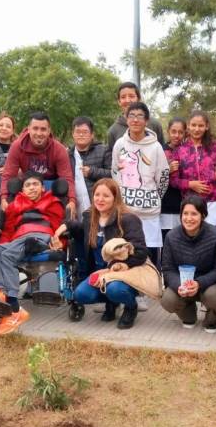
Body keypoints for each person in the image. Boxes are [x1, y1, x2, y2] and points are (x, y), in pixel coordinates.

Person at [0, 172, 65, 334]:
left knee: (8, 254)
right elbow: (8, 231)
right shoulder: (15, 205)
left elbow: (58, 229)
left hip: (41, 236)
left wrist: (61, 244)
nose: (32, 188)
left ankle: (14, 306)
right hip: (19, 240)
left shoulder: (53, 202)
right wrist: (3, 245)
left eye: (35, 184)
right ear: (22, 189)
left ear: (42, 187)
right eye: (28, 185)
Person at [56, 178, 148, 329]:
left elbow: (141, 251)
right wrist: (62, 227)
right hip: (100, 273)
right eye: (97, 195)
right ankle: (110, 303)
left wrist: (123, 264)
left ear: (115, 198)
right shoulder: (90, 217)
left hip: (122, 273)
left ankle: (131, 307)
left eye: (106, 196)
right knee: (81, 294)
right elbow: (78, 228)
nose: (100, 199)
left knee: (114, 289)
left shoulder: (128, 219)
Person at [111, 101, 169, 311]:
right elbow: (114, 173)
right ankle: (127, 289)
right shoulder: (119, 144)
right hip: (126, 210)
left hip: (149, 211)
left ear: (146, 120)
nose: (135, 119)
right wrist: (122, 201)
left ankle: (145, 290)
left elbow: (163, 177)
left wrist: (152, 197)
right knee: (125, 250)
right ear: (126, 119)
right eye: (131, 115)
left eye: (139, 116)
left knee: (149, 251)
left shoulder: (155, 147)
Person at [160, 196, 216, 333]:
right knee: (167, 300)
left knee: (215, 296)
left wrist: (199, 283)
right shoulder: (171, 236)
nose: (189, 218)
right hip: (183, 284)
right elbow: (167, 269)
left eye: (194, 214)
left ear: (203, 215)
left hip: (209, 284)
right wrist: (180, 285)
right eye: (185, 213)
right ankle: (188, 312)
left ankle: (212, 318)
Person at [0, 111, 76, 215]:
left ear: (49, 131)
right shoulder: (17, 146)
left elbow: (67, 178)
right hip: (28, 186)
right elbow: (8, 175)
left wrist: (72, 201)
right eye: (35, 128)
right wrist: (3, 198)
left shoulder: (59, 149)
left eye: (43, 129)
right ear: (29, 129)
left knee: (63, 186)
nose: (39, 133)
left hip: (51, 187)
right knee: (13, 185)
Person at [170, 110, 216, 227]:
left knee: (212, 239)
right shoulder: (179, 151)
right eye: (193, 125)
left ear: (207, 127)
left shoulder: (214, 147)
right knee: (192, 241)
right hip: (190, 204)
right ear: (188, 126)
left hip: (213, 202)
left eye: (201, 125)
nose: (197, 129)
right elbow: (173, 180)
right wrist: (190, 184)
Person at [67, 116, 111, 215]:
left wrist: (92, 172)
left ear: (92, 135)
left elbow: (113, 174)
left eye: (85, 132)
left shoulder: (104, 150)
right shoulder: (68, 155)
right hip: (76, 207)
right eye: (78, 132)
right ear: (73, 134)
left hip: (100, 206)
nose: (81, 135)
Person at [106, 82, 165, 154]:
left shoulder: (154, 124)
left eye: (131, 96)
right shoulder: (113, 131)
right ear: (119, 102)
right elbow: (111, 160)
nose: (127, 100)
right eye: (123, 97)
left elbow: (163, 152)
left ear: (138, 99)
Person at [160, 117, 186, 239]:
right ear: (168, 132)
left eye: (180, 132)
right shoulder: (159, 150)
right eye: (173, 131)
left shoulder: (188, 151)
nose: (177, 135)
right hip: (164, 205)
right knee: (166, 240)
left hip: (183, 204)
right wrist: (167, 170)